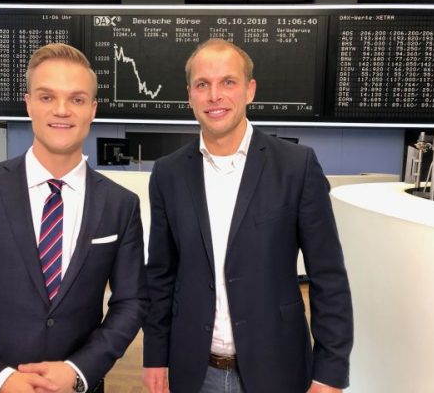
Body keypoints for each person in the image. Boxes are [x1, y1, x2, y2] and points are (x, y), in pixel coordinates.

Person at [0, 43, 148, 393]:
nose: (62, 110)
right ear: (28, 104)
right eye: (47, 96)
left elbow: (131, 302)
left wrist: (78, 371)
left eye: (77, 99)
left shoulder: (120, 204)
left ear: (92, 109)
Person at [142, 39, 353, 393]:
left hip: (278, 368)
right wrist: (154, 356)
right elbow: (161, 276)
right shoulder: (168, 174)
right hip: (194, 372)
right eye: (202, 84)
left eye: (228, 82)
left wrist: (330, 372)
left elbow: (328, 276)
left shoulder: (296, 167)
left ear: (250, 90)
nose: (215, 96)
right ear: (190, 95)